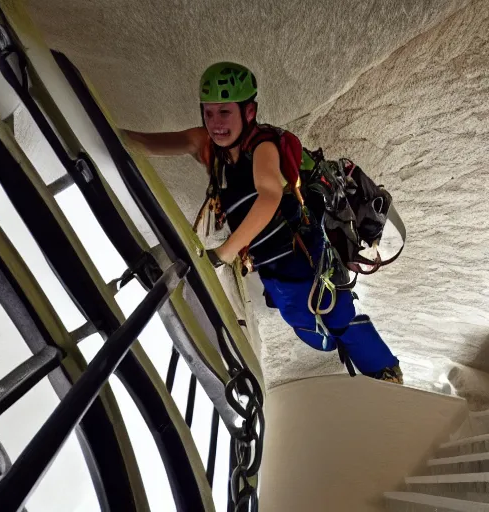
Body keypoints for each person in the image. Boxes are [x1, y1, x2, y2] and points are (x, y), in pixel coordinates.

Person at [123, 62, 403, 384]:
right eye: (209, 112)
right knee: (307, 321)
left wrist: (223, 254)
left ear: (249, 111)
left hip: (300, 254)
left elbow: (268, 196)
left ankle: (384, 369)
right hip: (268, 258)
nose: (215, 123)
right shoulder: (207, 145)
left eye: (225, 112)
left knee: (333, 314)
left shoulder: (263, 148)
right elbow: (144, 144)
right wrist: (103, 131)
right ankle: (353, 352)